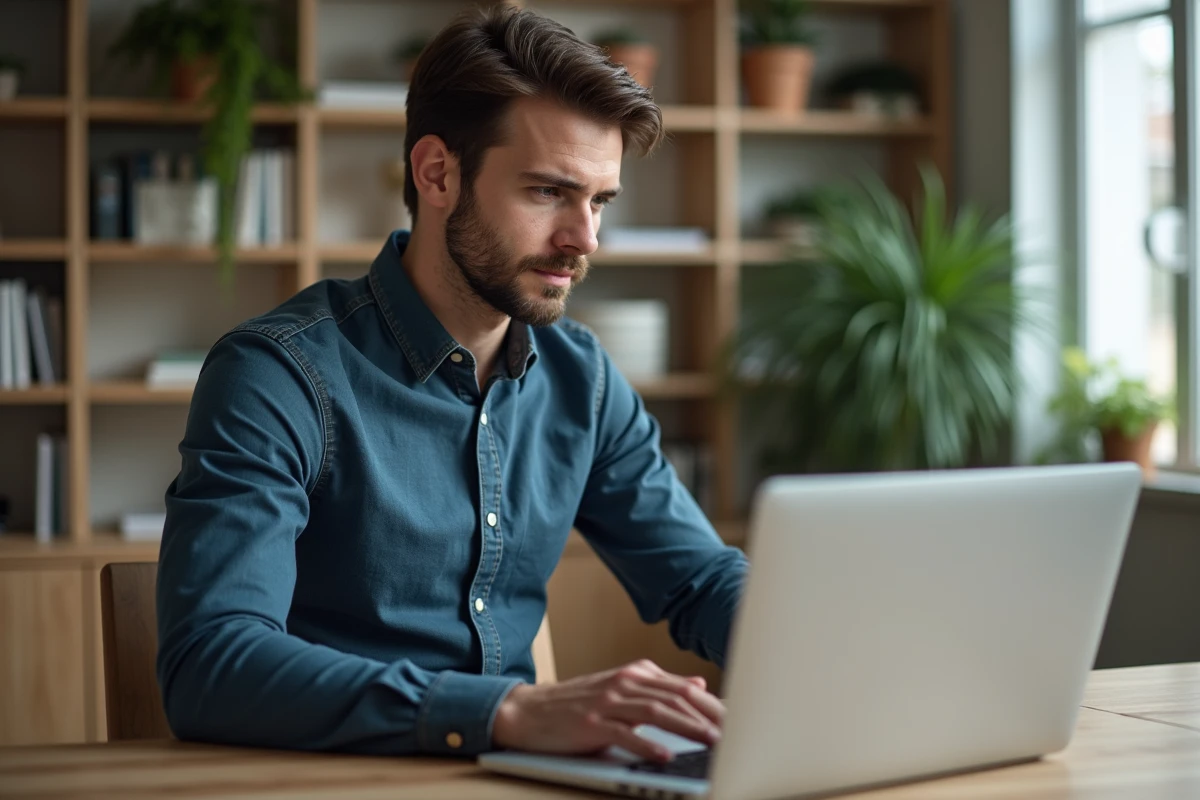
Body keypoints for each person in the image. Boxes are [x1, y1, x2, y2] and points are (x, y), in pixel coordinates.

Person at [156, 4, 748, 764]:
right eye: (548, 193)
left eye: (598, 201)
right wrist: (505, 710)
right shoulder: (279, 374)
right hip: (327, 778)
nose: (586, 240)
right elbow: (209, 665)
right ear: (437, 172)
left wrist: (828, 650)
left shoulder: (583, 380)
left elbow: (699, 579)